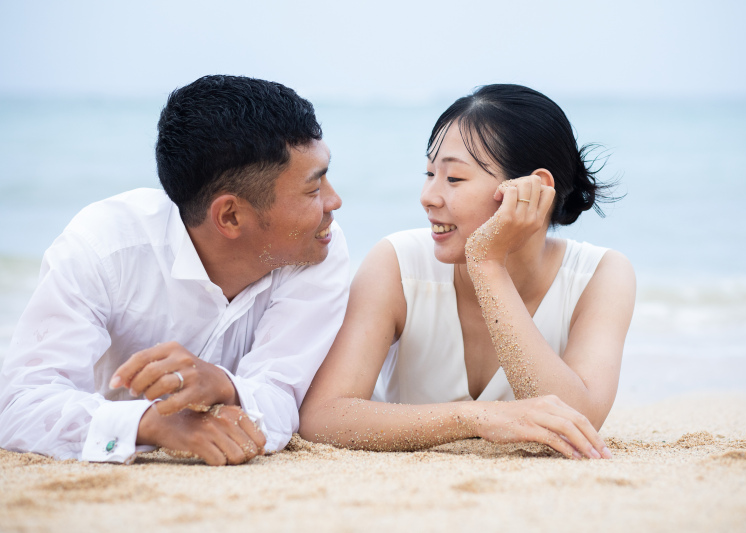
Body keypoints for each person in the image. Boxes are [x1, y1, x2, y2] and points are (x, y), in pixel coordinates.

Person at [0, 75, 349, 466]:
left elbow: (282, 400)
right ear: (230, 216)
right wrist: (151, 423)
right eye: (313, 189)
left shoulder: (318, 248)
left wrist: (222, 385)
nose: (334, 201)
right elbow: (19, 403)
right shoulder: (104, 249)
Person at [299, 84, 635, 460]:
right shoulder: (397, 262)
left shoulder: (601, 275)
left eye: (454, 179)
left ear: (531, 189)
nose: (428, 197)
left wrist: (488, 264)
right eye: (429, 173)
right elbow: (322, 416)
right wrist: (474, 418)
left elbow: (577, 421)